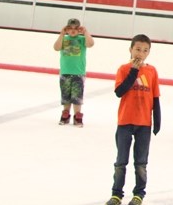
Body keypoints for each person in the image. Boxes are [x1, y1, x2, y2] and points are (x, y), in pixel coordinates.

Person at [105, 34, 160, 205]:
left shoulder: (152, 71)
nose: (140, 53)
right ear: (130, 49)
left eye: (145, 50)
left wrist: (157, 120)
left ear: (148, 53)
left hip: (144, 123)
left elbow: (155, 97)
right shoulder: (123, 69)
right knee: (121, 161)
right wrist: (134, 71)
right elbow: (119, 91)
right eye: (137, 49)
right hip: (125, 122)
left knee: (141, 163)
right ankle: (116, 194)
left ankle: (139, 194)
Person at [53, 18, 94, 126]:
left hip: (78, 73)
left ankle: (77, 116)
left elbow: (91, 44)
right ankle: (65, 115)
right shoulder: (64, 39)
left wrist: (85, 32)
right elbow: (56, 48)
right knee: (66, 96)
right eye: (70, 28)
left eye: (75, 29)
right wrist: (61, 34)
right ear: (66, 29)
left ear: (79, 29)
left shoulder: (82, 39)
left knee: (77, 96)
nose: (73, 31)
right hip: (65, 72)